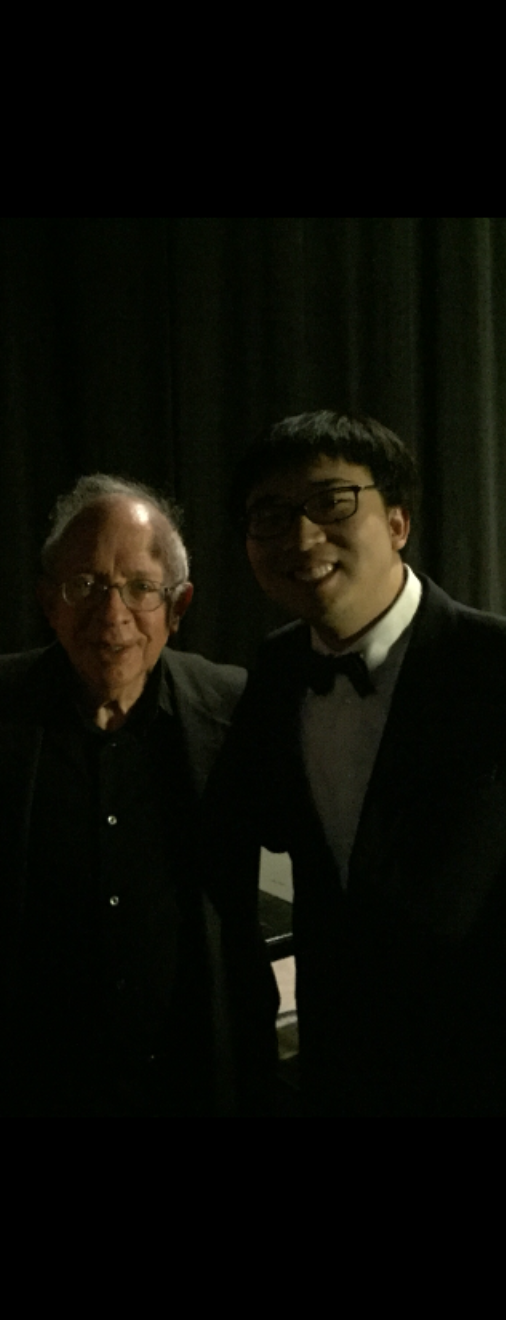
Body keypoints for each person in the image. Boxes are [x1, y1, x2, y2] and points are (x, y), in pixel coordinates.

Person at [0, 474, 277, 1116]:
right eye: (84, 586)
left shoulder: (234, 709)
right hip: (29, 1089)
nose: (111, 615)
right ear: (48, 601)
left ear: (178, 608)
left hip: (194, 1083)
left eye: (141, 588)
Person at [219, 408, 506, 1116]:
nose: (301, 535)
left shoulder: (495, 666)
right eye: (272, 514)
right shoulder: (276, 671)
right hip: (339, 1069)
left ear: (399, 522)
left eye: (331, 502)